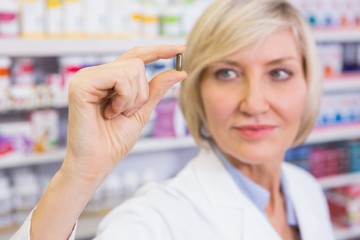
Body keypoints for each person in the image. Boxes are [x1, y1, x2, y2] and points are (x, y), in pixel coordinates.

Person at [11, 0, 335, 239]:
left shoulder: (305, 190)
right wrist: (78, 174)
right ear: (196, 90)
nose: (254, 103)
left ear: (308, 82)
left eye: (279, 72)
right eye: (227, 72)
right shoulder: (156, 219)